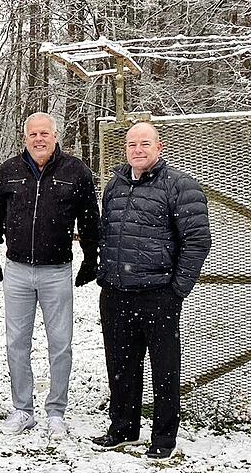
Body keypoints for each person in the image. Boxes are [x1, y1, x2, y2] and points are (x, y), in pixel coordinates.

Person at [92, 122, 211, 460]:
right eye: (132, 144)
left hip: (158, 294)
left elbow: (198, 240)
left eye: (145, 143)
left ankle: (163, 438)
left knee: (164, 367)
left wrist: (177, 289)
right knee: (121, 365)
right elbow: (108, 232)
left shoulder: (179, 185)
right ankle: (123, 429)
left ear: (159, 146)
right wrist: (105, 273)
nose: (138, 149)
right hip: (116, 292)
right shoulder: (114, 184)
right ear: (125, 148)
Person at [0, 112, 99, 438]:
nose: (39, 139)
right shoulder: (9, 172)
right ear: (25, 138)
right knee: (17, 343)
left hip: (56, 272)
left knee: (60, 344)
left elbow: (90, 219)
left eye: (44, 133)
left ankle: (56, 412)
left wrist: (91, 258)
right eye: (32, 134)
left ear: (55, 135)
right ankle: (23, 411)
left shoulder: (75, 172)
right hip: (17, 271)